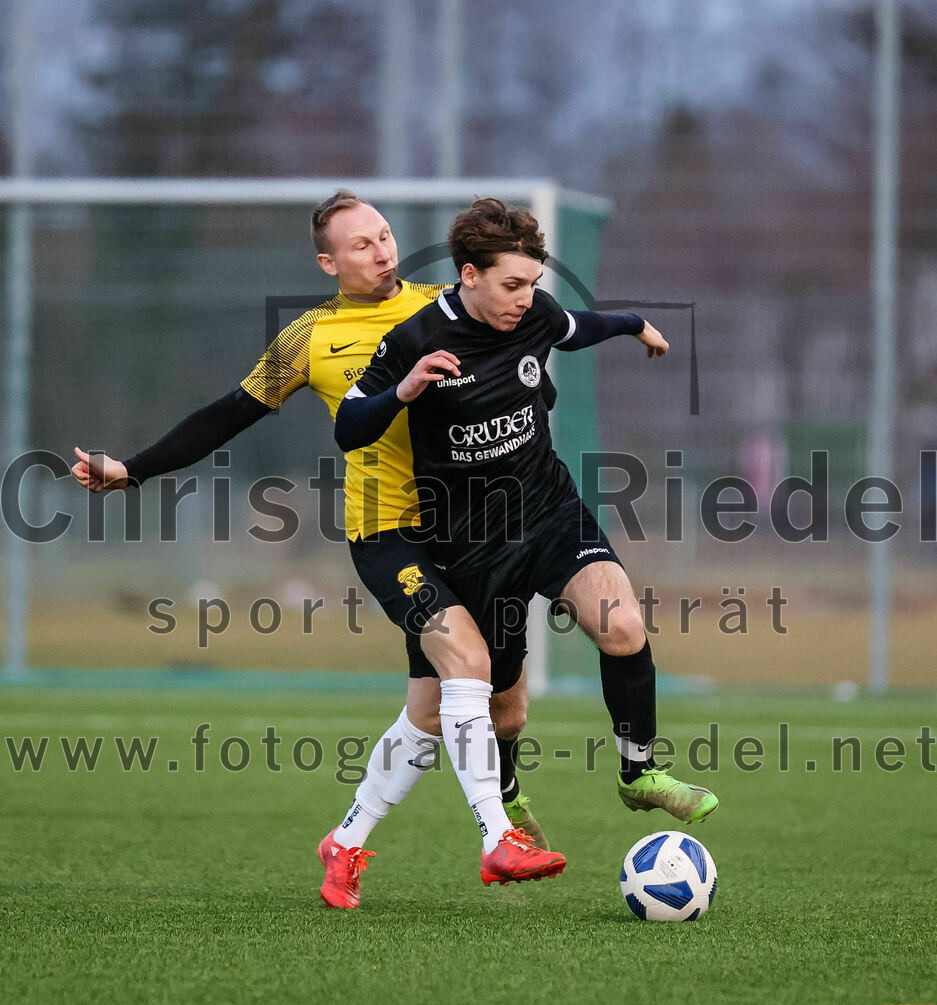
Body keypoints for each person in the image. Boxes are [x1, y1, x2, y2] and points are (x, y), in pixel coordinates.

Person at [71, 190, 563, 910]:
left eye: (386, 235)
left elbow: (524, 372)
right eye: (360, 243)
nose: (382, 249)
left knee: (450, 709)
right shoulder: (308, 339)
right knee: (468, 663)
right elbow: (227, 415)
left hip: (469, 534)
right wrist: (132, 469)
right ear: (327, 261)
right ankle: (497, 838)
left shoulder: (449, 304)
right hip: (385, 532)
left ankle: (347, 838)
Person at [335, 197, 719, 836]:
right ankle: (508, 794)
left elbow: (575, 324)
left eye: (532, 284)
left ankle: (639, 774)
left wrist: (631, 323)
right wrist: (404, 392)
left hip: (548, 510)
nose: (524, 297)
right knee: (506, 713)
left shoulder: (534, 313)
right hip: (474, 543)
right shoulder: (416, 339)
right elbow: (350, 426)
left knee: (622, 625)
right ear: (469, 275)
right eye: (511, 284)